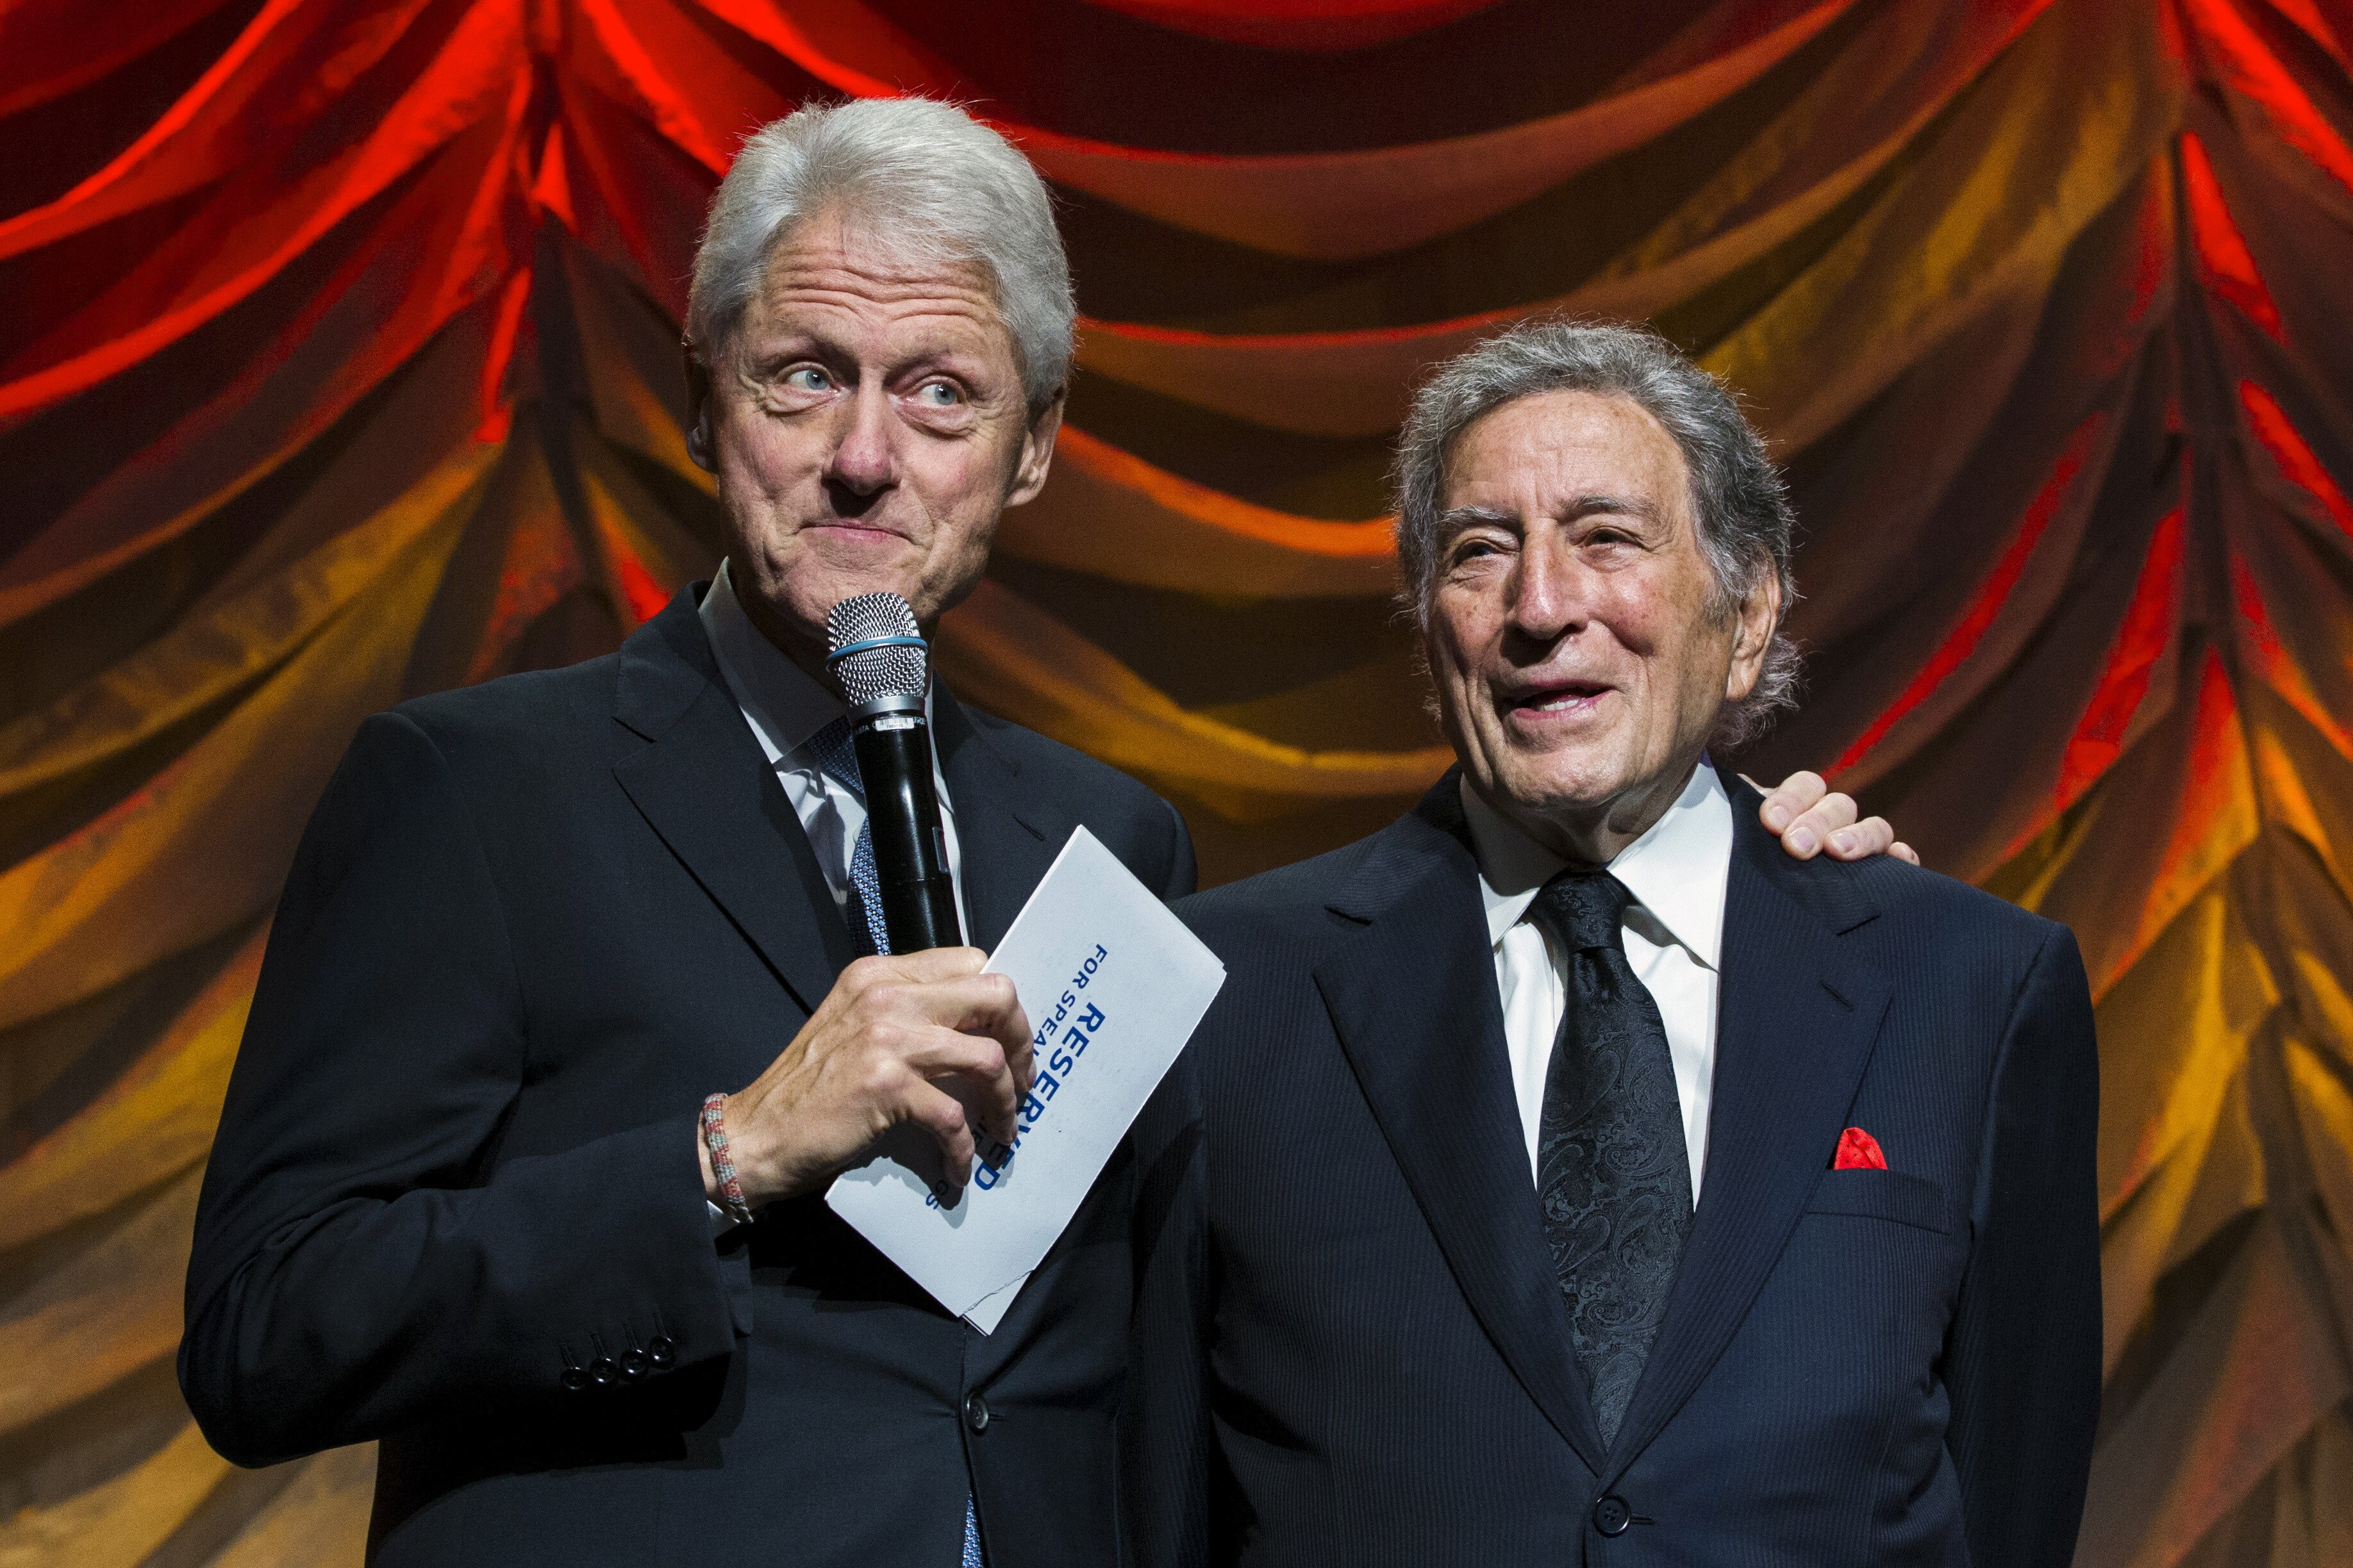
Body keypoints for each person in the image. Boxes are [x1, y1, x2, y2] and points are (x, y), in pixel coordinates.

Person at [179, 102, 1904, 1567]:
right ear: (707, 400)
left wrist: (1720, 868)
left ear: (1028, 453)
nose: (867, 458)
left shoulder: (1107, 835)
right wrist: (724, 1154)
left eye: (941, 395)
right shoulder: (477, 792)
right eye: (804, 379)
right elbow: (267, 1334)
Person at [1125, 321, 2101, 1567]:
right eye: (1482, 552)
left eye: (1607, 539)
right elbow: (1149, 1499)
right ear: (1433, 630)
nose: (1543, 606)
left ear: (1745, 618)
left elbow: (2014, 1498)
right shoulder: (1225, 993)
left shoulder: (1968, 986)